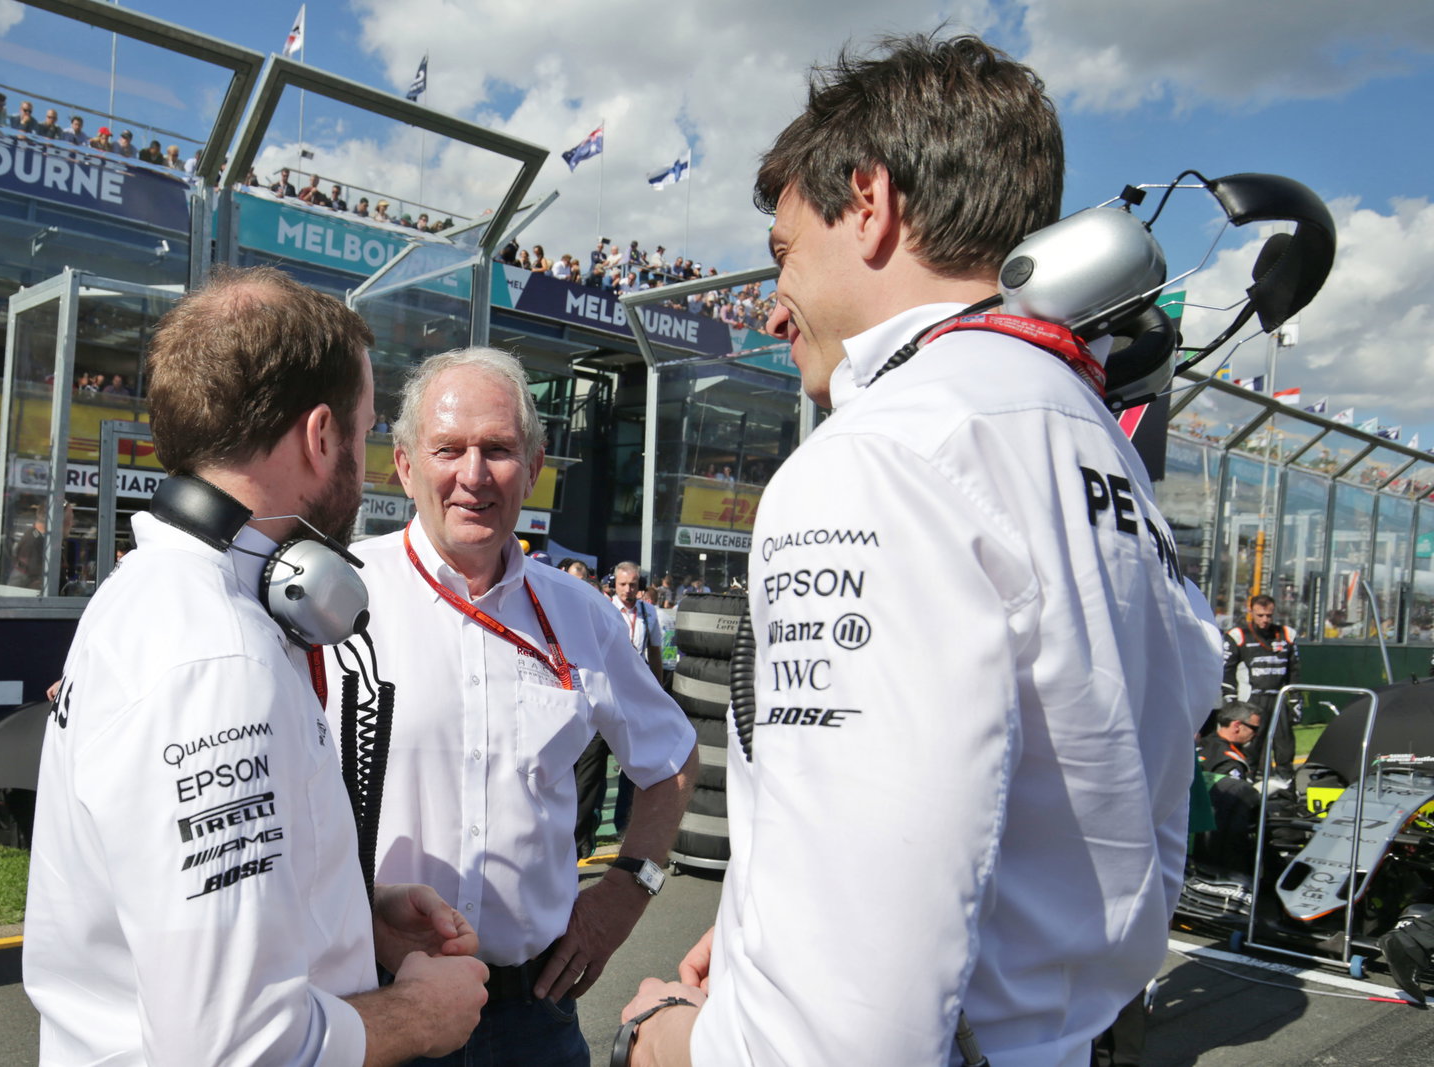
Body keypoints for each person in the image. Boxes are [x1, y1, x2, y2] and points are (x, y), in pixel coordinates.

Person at [616, 33, 1223, 1067]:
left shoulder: (884, 449)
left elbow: (839, 1041)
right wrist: (773, 936)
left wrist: (666, 1038)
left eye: (782, 253)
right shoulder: (1093, 446)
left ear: (869, 201)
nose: (771, 306)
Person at [23, 267, 489, 1065]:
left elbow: (172, 902)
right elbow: (234, 1047)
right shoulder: (217, 658)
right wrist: (417, 1012)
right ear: (318, 436)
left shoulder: (153, 596)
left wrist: (349, 907)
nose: (370, 462)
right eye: (367, 431)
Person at [326, 347, 697, 1066]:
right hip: (375, 1001)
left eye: (498, 449)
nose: (473, 475)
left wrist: (625, 892)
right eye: (448, 449)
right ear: (405, 465)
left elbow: (673, 759)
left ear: (534, 464)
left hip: (533, 1016)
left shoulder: (580, 614)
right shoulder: (341, 596)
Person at [574, 562, 665, 857]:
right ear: (615, 584)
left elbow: (655, 655)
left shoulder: (650, 614)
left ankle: (626, 833)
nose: (628, 590)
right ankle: (579, 840)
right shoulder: (602, 607)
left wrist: (658, 695)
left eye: (634, 584)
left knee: (635, 770)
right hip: (603, 700)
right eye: (624, 585)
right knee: (589, 772)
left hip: (633, 704)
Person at [1221, 593, 1300, 777]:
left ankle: (1287, 792)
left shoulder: (1286, 634)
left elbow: (1294, 672)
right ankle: (1246, 786)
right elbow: (1227, 672)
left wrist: (1296, 701)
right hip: (1251, 700)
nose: (1265, 620)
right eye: (1260, 615)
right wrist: (1231, 701)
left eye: (1269, 616)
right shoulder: (1238, 635)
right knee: (1250, 749)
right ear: (1251, 613)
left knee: (1285, 749)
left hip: (1278, 699)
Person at [1197, 702, 1263, 781]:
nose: (1256, 734)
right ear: (1237, 726)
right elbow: (1233, 791)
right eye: (1254, 729)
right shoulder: (1230, 761)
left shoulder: (1199, 744)